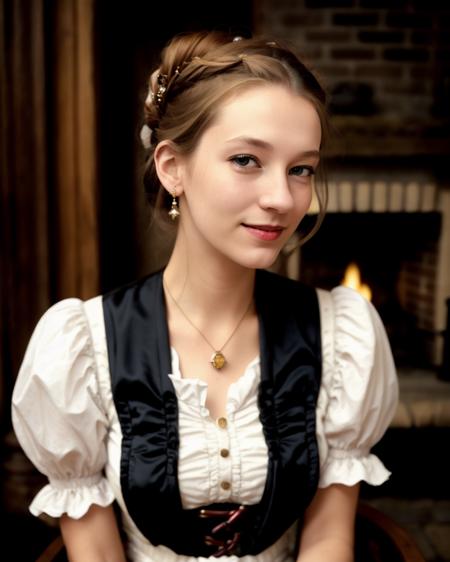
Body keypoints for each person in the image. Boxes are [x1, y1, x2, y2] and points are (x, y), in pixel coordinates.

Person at [11, 30, 398, 562]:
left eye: (301, 169)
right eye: (246, 160)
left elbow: (329, 541)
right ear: (172, 168)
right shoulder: (86, 346)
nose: (282, 199)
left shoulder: (340, 335)